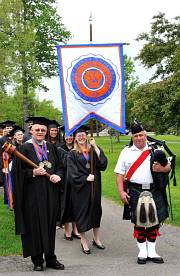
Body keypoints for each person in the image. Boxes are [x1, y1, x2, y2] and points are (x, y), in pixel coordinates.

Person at [12, 117, 65, 271]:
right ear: (31, 130)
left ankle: (50, 258)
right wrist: (33, 172)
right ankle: (37, 260)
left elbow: (61, 166)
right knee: (35, 226)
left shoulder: (52, 147)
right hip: (32, 196)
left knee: (49, 226)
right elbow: (17, 174)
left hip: (50, 194)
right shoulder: (23, 149)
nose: (40, 132)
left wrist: (58, 175)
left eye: (43, 130)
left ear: (46, 131)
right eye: (37, 130)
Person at [114, 121, 171, 264]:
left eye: (141, 135)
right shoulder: (126, 152)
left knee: (154, 222)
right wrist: (121, 191)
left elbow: (168, 166)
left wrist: (162, 169)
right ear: (132, 137)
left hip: (154, 189)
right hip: (134, 189)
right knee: (139, 223)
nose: (138, 138)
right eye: (135, 136)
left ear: (145, 135)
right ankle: (142, 252)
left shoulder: (156, 149)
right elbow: (120, 174)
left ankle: (152, 251)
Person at [67, 126, 108, 254]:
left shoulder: (92, 150)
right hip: (81, 189)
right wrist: (85, 178)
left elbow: (103, 165)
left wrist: (95, 146)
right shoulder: (72, 153)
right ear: (75, 138)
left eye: (83, 134)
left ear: (86, 136)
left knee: (96, 210)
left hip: (94, 187)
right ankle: (83, 241)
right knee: (82, 213)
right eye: (78, 135)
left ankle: (96, 239)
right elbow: (72, 174)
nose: (81, 137)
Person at [59, 131, 80, 240]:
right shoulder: (59, 149)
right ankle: (67, 230)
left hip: (76, 180)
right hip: (65, 181)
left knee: (76, 205)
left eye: (71, 135)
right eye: (67, 135)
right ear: (63, 136)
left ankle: (75, 230)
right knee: (66, 205)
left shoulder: (78, 148)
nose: (69, 138)